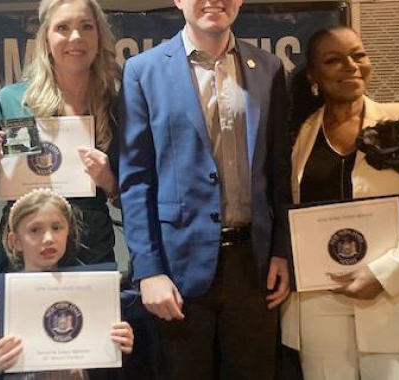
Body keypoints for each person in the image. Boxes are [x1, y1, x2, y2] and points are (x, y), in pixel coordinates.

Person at [116, 0, 292, 378]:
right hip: (177, 273)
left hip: (254, 267)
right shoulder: (142, 72)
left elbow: (279, 170)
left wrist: (282, 251)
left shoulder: (268, 68)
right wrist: (148, 272)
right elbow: (135, 181)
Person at [281, 26, 399, 380]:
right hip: (319, 308)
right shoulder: (299, 135)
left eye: (358, 55)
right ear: (313, 75)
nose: (351, 66)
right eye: (334, 60)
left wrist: (384, 275)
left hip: (394, 303)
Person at [0, 0, 121, 275]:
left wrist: (109, 182)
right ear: (46, 38)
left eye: (86, 27)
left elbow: (129, 192)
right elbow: (6, 178)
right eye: (63, 27)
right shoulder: (15, 100)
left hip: (91, 246)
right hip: (26, 245)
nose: (75, 37)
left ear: (99, 36)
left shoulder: (117, 106)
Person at [0, 188, 134, 379]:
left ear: (68, 233)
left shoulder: (89, 291)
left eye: (57, 228)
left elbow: (102, 349)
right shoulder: (0, 298)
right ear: (16, 241)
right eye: (34, 230)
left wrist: (119, 340)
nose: (48, 238)